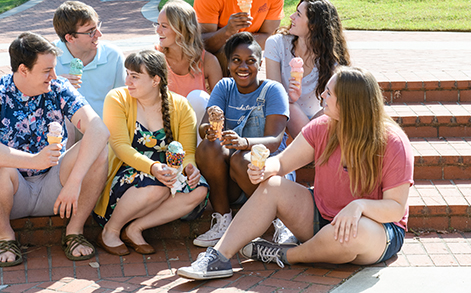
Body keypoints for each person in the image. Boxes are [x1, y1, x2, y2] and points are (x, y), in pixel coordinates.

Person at [177, 66, 414, 280]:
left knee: (352, 235)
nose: (322, 96)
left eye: (329, 93)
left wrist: (359, 207)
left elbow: (395, 207)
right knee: (273, 186)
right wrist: (262, 169)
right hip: (320, 216)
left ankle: (289, 255)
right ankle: (217, 257)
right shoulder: (322, 127)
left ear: (349, 104)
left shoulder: (393, 142)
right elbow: (281, 163)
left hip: (377, 229)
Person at [0, 32, 109, 266]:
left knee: (98, 150)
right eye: (46, 71)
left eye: (53, 69)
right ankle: (5, 237)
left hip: (57, 186)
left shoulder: (58, 87)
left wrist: (74, 182)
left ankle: (74, 232)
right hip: (13, 192)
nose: (54, 76)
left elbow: (98, 129)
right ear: (23, 70)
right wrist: (33, 160)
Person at [93, 50, 209, 255]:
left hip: (167, 174)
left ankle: (135, 229)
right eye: (127, 74)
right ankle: (110, 230)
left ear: (156, 80)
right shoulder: (117, 98)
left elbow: (187, 151)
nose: (128, 81)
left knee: (199, 190)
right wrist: (153, 167)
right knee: (159, 187)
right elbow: (120, 147)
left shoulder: (181, 106)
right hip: (126, 173)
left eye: (135, 76)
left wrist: (190, 168)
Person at [193, 32, 289, 248]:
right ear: (228, 64)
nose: (243, 67)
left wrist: (243, 142)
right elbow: (204, 126)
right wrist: (209, 130)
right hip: (234, 182)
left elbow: (274, 140)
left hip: (268, 176)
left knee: (242, 158)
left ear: (260, 63)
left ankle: (280, 220)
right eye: (236, 60)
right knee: (209, 147)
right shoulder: (224, 87)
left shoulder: (273, 90)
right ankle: (223, 220)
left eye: (250, 61)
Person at [265, 0, 350, 139]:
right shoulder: (276, 44)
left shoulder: (332, 56)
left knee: (339, 109)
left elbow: (333, 102)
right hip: (285, 112)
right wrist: (291, 98)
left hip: (320, 116)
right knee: (289, 105)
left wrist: (310, 124)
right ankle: (310, 148)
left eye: (298, 14)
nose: (291, 17)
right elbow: (275, 94)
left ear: (313, 25)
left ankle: (307, 147)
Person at [52, 0, 126, 145]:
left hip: (104, 132)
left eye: (98, 26)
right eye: (91, 31)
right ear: (70, 38)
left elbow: (125, 101)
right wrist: (53, 85)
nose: (99, 34)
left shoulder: (113, 56)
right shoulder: (49, 57)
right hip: (63, 133)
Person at [155, 0, 223, 127]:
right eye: (157, 24)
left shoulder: (208, 61)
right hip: (164, 129)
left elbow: (219, 106)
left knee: (197, 97)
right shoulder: (155, 58)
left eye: (164, 26)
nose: (158, 30)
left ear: (182, 30)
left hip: (198, 131)